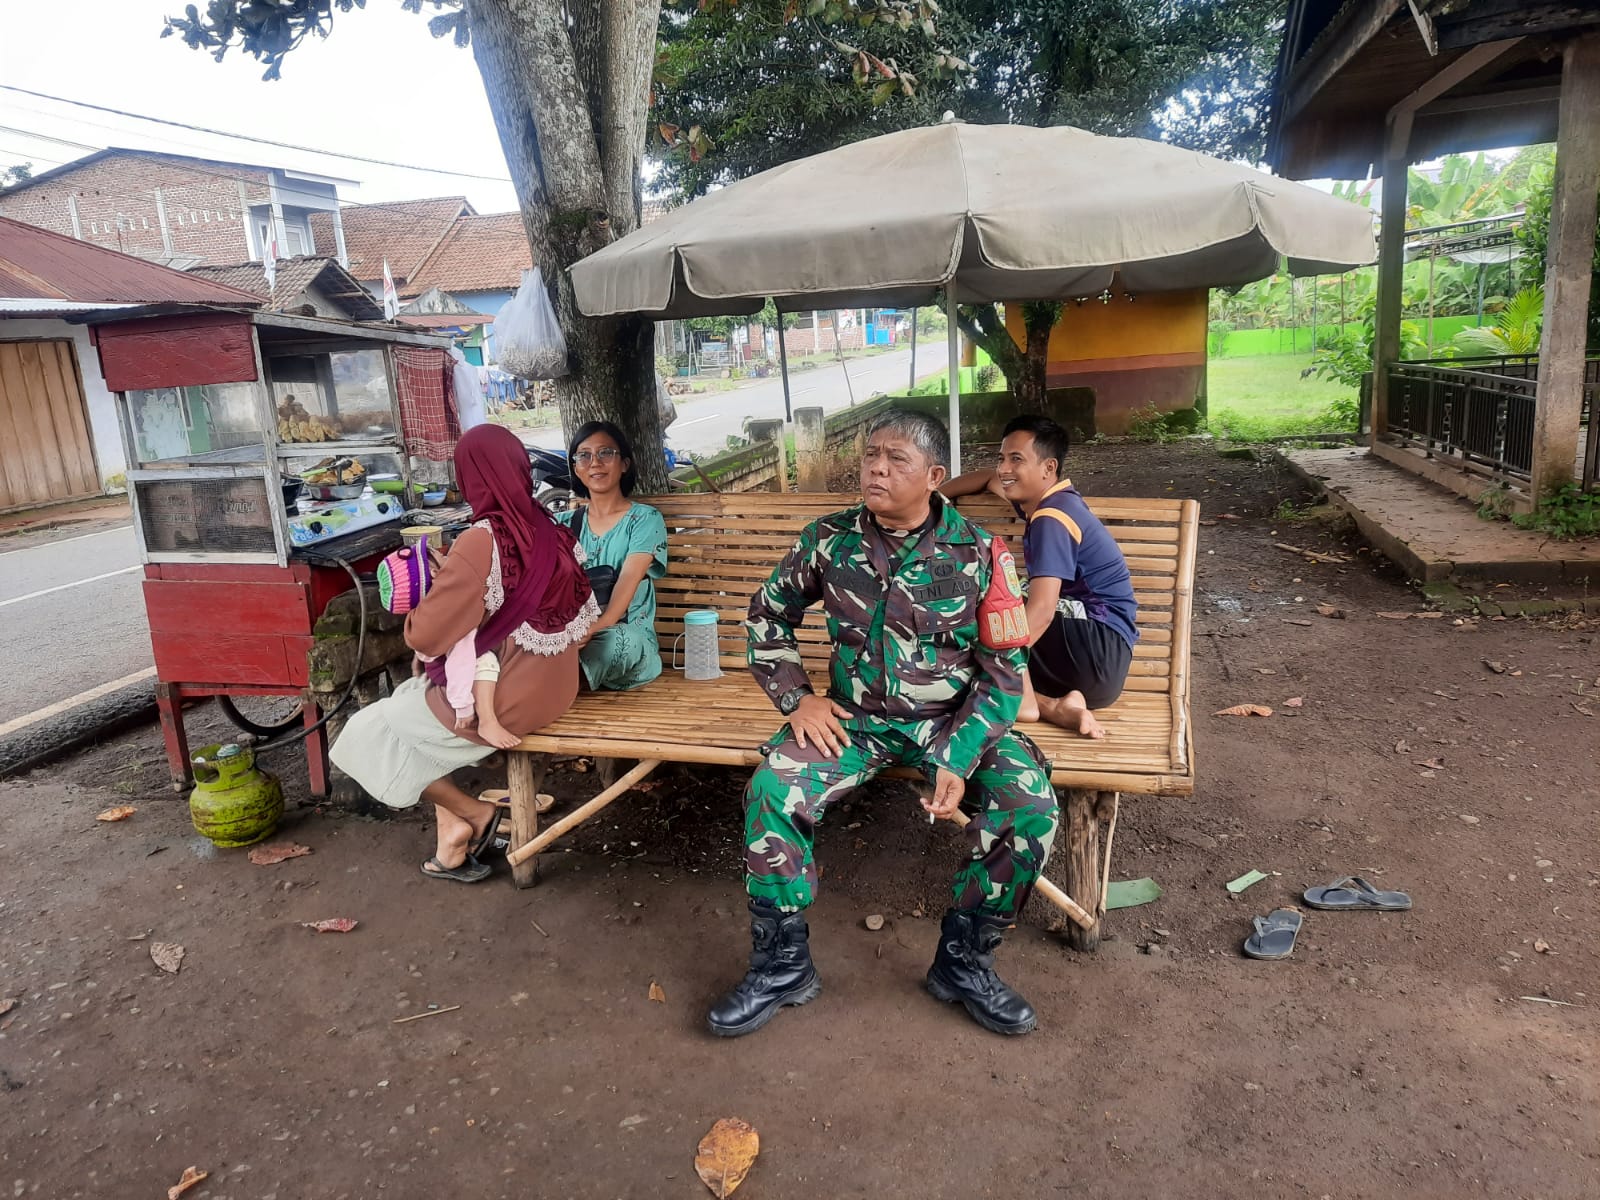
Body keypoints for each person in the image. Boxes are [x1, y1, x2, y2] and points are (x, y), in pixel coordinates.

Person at [707, 410, 1059, 1040]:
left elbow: (1005, 672)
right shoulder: (828, 540)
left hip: (952, 724)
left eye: (897, 459)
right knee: (773, 790)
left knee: (1030, 804)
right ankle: (782, 967)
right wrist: (798, 700)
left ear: (935, 476)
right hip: (855, 723)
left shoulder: (982, 554)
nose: (876, 468)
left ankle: (964, 962)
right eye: (871, 455)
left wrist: (959, 755)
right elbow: (766, 617)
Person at [330, 424, 599, 883]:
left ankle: (474, 814)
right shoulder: (552, 530)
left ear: (471, 476)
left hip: (507, 699)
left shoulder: (480, 541)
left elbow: (425, 638)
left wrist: (438, 585)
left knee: (365, 733)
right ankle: (451, 838)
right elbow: (582, 625)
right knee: (410, 700)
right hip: (558, 688)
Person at [945, 415, 1138, 739]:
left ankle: (1020, 699)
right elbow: (987, 478)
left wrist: (994, 667)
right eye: (1002, 458)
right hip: (1099, 663)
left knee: (985, 596)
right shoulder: (1047, 500)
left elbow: (1042, 611)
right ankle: (1052, 706)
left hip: (1093, 649)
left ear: (1048, 468)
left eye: (1016, 459)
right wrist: (932, 497)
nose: (1004, 469)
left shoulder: (1052, 518)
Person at [555, 421, 669, 691]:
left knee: (617, 644)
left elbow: (628, 579)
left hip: (624, 637)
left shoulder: (645, 519)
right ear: (576, 468)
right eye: (584, 455)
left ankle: (555, 687)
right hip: (572, 634)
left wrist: (595, 627)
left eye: (606, 452)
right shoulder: (562, 524)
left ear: (625, 464)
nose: (595, 462)